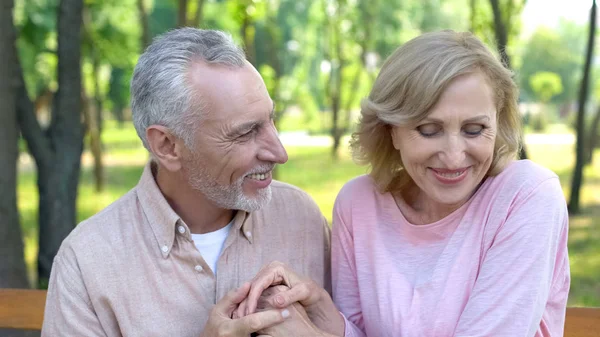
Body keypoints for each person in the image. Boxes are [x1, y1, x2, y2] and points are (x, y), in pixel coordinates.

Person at [237, 30, 570, 337]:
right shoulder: (358, 203)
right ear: (391, 129)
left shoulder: (527, 195)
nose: (454, 157)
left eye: (474, 130)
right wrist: (319, 313)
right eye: (429, 130)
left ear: (499, 122)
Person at [41, 28, 331, 337]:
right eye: (245, 132)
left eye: (271, 120)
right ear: (167, 145)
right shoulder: (88, 262)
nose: (279, 153)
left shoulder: (302, 219)